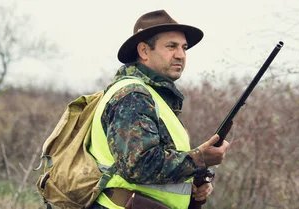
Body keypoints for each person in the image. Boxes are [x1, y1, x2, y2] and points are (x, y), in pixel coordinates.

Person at [87, 10, 230, 209]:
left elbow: (161, 165)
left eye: (184, 48)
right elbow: (138, 165)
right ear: (144, 51)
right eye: (171, 46)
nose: (180, 55)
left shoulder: (154, 98)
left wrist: (195, 185)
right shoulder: (133, 95)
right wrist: (199, 159)